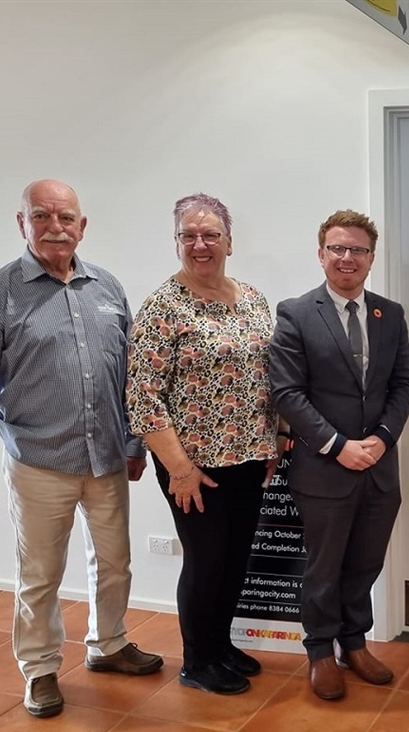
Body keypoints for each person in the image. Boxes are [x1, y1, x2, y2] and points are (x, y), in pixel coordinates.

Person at [0, 180, 164, 719]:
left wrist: (136, 441)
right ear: (22, 223)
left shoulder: (107, 288)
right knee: (40, 574)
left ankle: (108, 645)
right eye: (41, 216)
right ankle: (40, 668)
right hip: (39, 460)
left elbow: (131, 376)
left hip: (109, 456)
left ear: (82, 226)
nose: (55, 226)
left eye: (66, 217)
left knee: (115, 563)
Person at [127, 193, 283, 695]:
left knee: (237, 556)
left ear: (229, 241)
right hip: (195, 465)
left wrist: (276, 437)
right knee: (206, 559)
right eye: (189, 235)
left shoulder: (254, 298)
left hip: (249, 456)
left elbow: (271, 373)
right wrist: (179, 469)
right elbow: (143, 397)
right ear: (176, 243)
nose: (200, 244)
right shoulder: (162, 308)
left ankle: (220, 645)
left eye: (210, 234)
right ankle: (198, 660)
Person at [269, 209, 409, 701]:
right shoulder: (295, 313)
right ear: (321, 254)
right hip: (324, 469)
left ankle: (354, 643)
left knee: (365, 563)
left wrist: (382, 439)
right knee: (324, 566)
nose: (347, 257)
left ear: (371, 258)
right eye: (337, 248)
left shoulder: (389, 314)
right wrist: (338, 445)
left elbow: (403, 384)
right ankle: (318, 651)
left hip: (379, 468)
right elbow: (288, 393)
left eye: (357, 249)